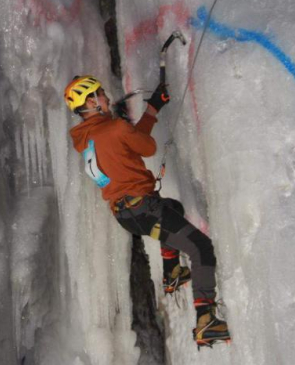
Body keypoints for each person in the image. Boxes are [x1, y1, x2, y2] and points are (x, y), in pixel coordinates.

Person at [64, 75, 230, 347]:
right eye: (101, 94)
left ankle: (172, 272)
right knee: (201, 247)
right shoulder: (115, 128)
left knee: (173, 208)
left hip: (126, 215)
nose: (106, 97)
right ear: (91, 101)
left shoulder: (84, 139)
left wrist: (151, 109)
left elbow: (126, 143)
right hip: (143, 207)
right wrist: (148, 112)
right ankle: (206, 318)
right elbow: (146, 146)